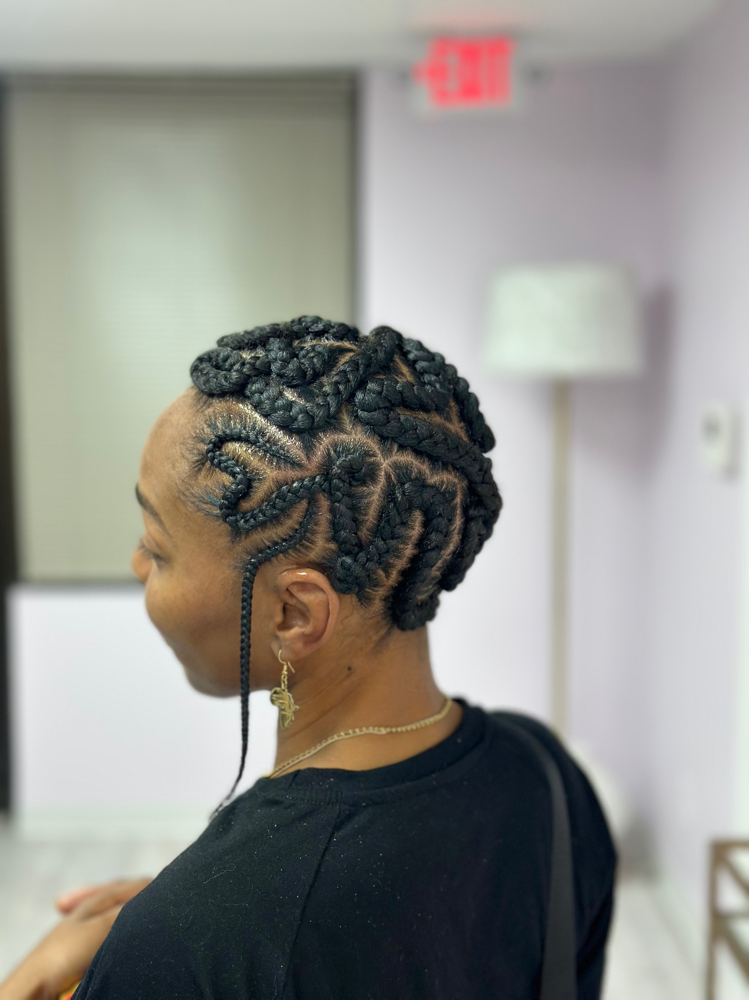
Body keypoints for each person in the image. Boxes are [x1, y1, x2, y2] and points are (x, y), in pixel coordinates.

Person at [0, 317, 615, 1000]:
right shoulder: (549, 776)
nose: (137, 563)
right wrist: (206, 924)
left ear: (294, 614)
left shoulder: (181, 947)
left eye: (157, 546)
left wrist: (57, 973)